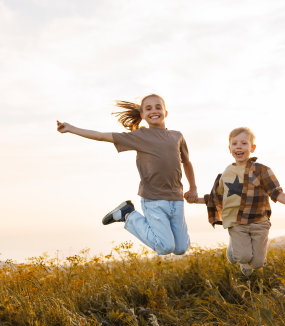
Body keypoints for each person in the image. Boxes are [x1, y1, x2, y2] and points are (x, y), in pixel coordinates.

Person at [56, 94, 197, 255]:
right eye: (148, 108)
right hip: (154, 200)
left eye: (158, 107)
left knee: (180, 249)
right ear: (142, 115)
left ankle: (130, 215)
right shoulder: (139, 136)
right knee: (165, 247)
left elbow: (186, 162)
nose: (154, 111)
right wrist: (71, 129)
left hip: (176, 200)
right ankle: (128, 215)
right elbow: (102, 136)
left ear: (165, 112)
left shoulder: (177, 136)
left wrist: (193, 188)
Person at [196, 127, 285, 276]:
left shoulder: (262, 171)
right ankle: (236, 248)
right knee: (243, 256)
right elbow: (216, 197)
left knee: (257, 264)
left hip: (259, 223)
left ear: (252, 148)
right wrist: (196, 200)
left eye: (244, 143)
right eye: (235, 143)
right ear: (230, 148)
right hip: (237, 223)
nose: (239, 146)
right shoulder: (226, 173)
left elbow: (276, 192)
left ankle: (236, 247)